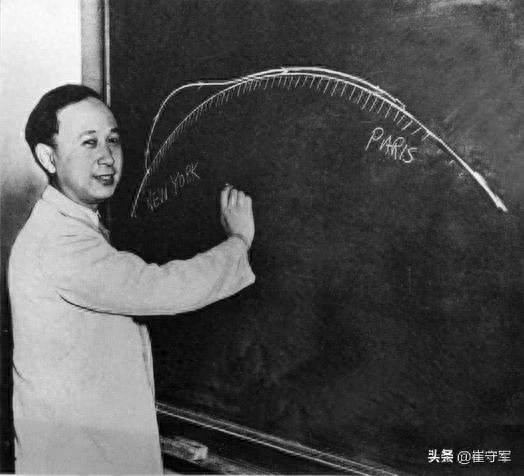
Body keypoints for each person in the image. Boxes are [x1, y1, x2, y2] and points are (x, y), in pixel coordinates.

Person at [8, 84, 255, 474]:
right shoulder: (58, 244)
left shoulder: (73, 227)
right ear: (48, 157)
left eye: (113, 140)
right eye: (89, 142)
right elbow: (159, 289)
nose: (107, 157)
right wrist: (238, 242)